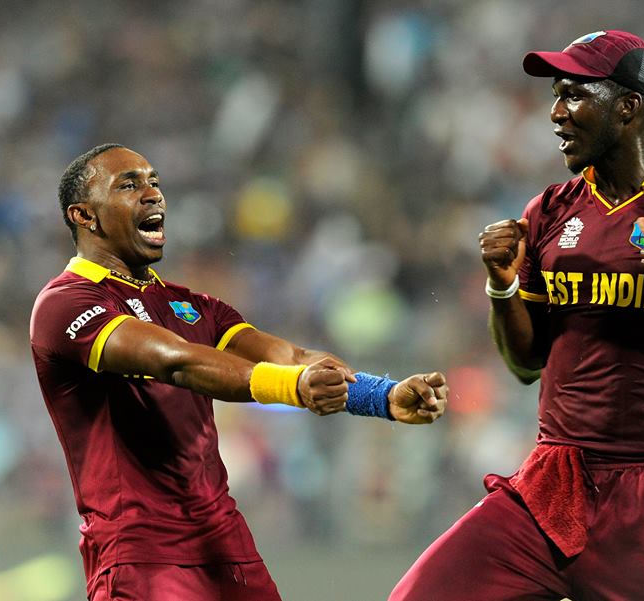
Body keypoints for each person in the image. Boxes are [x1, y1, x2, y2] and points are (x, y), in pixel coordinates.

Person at [389, 30, 644, 601]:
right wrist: (502, 285)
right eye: (556, 95)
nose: (555, 113)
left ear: (628, 107)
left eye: (574, 95)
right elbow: (526, 363)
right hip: (554, 484)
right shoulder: (549, 211)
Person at [30, 143, 448, 601]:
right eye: (128, 185)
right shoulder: (64, 304)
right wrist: (293, 388)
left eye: (154, 182)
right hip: (141, 554)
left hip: (228, 547)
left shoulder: (193, 305)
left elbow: (290, 356)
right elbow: (175, 361)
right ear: (84, 216)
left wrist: (382, 396)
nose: (153, 194)